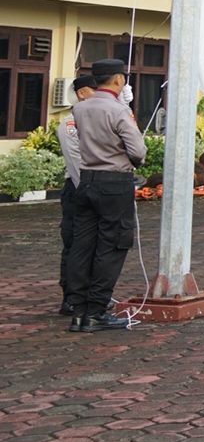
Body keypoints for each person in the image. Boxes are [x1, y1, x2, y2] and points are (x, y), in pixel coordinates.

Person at [62, 59, 146, 333]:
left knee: (82, 245)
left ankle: (78, 310)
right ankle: (96, 311)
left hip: (87, 179)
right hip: (114, 182)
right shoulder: (119, 110)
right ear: (119, 80)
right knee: (112, 244)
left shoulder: (80, 108)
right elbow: (138, 152)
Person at [53, 73, 98, 314]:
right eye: (95, 91)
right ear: (82, 93)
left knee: (96, 245)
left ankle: (90, 296)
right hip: (79, 188)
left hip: (97, 188)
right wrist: (90, 191)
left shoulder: (99, 119)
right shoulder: (71, 122)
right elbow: (76, 161)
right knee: (75, 243)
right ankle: (71, 298)